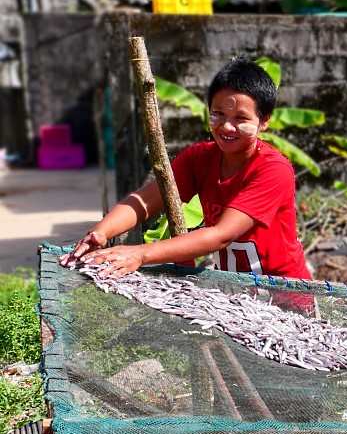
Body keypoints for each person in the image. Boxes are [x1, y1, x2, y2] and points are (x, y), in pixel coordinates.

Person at [62, 58, 310, 281]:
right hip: (238, 294)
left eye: (241, 119)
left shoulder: (273, 169)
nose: (227, 126)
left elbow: (221, 235)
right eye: (218, 114)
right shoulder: (198, 158)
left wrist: (140, 253)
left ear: (264, 121)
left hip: (286, 294)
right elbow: (144, 201)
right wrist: (101, 232)